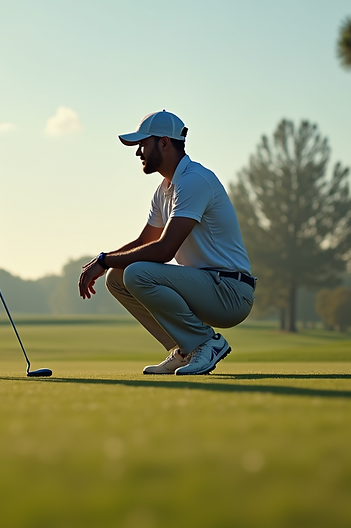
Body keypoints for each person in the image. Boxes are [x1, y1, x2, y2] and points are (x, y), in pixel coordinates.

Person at [78, 110, 256, 375]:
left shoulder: (194, 180)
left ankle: (204, 342)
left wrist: (104, 261)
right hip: (205, 286)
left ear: (163, 142)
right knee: (117, 277)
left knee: (137, 272)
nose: (138, 152)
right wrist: (105, 262)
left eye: (143, 144)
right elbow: (144, 242)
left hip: (230, 292)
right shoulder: (164, 189)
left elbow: (164, 250)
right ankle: (187, 348)